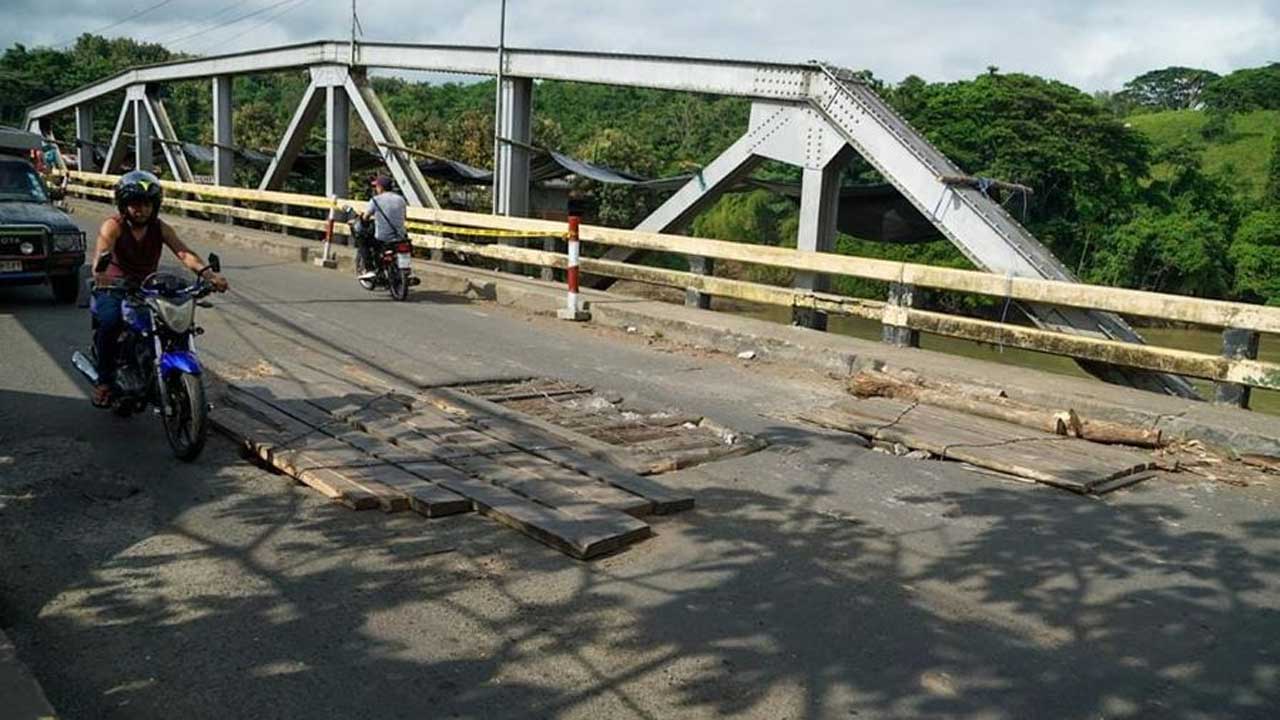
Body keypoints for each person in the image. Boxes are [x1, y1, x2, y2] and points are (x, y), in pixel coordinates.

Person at [89, 170, 229, 407]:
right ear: (124, 205)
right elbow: (102, 251)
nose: (140, 210)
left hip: (148, 287)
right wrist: (100, 273)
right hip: (114, 286)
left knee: (172, 326)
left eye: (146, 204)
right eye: (134, 204)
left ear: (155, 205)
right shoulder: (113, 226)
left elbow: (183, 252)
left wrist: (208, 275)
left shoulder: (160, 228)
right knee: (111, 323)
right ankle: (104, 382)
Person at [357, 174, 408, 280]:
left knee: (363, 241)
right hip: (400, 235)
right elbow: (404, 217)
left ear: (380, 187)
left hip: (383, 237)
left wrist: (362, 218)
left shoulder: (375, 200)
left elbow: (366, 217)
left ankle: (370, 269)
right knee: (404, 248)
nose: (375, 189)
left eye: (376, 186)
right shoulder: (401, 199)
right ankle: (407, 270)